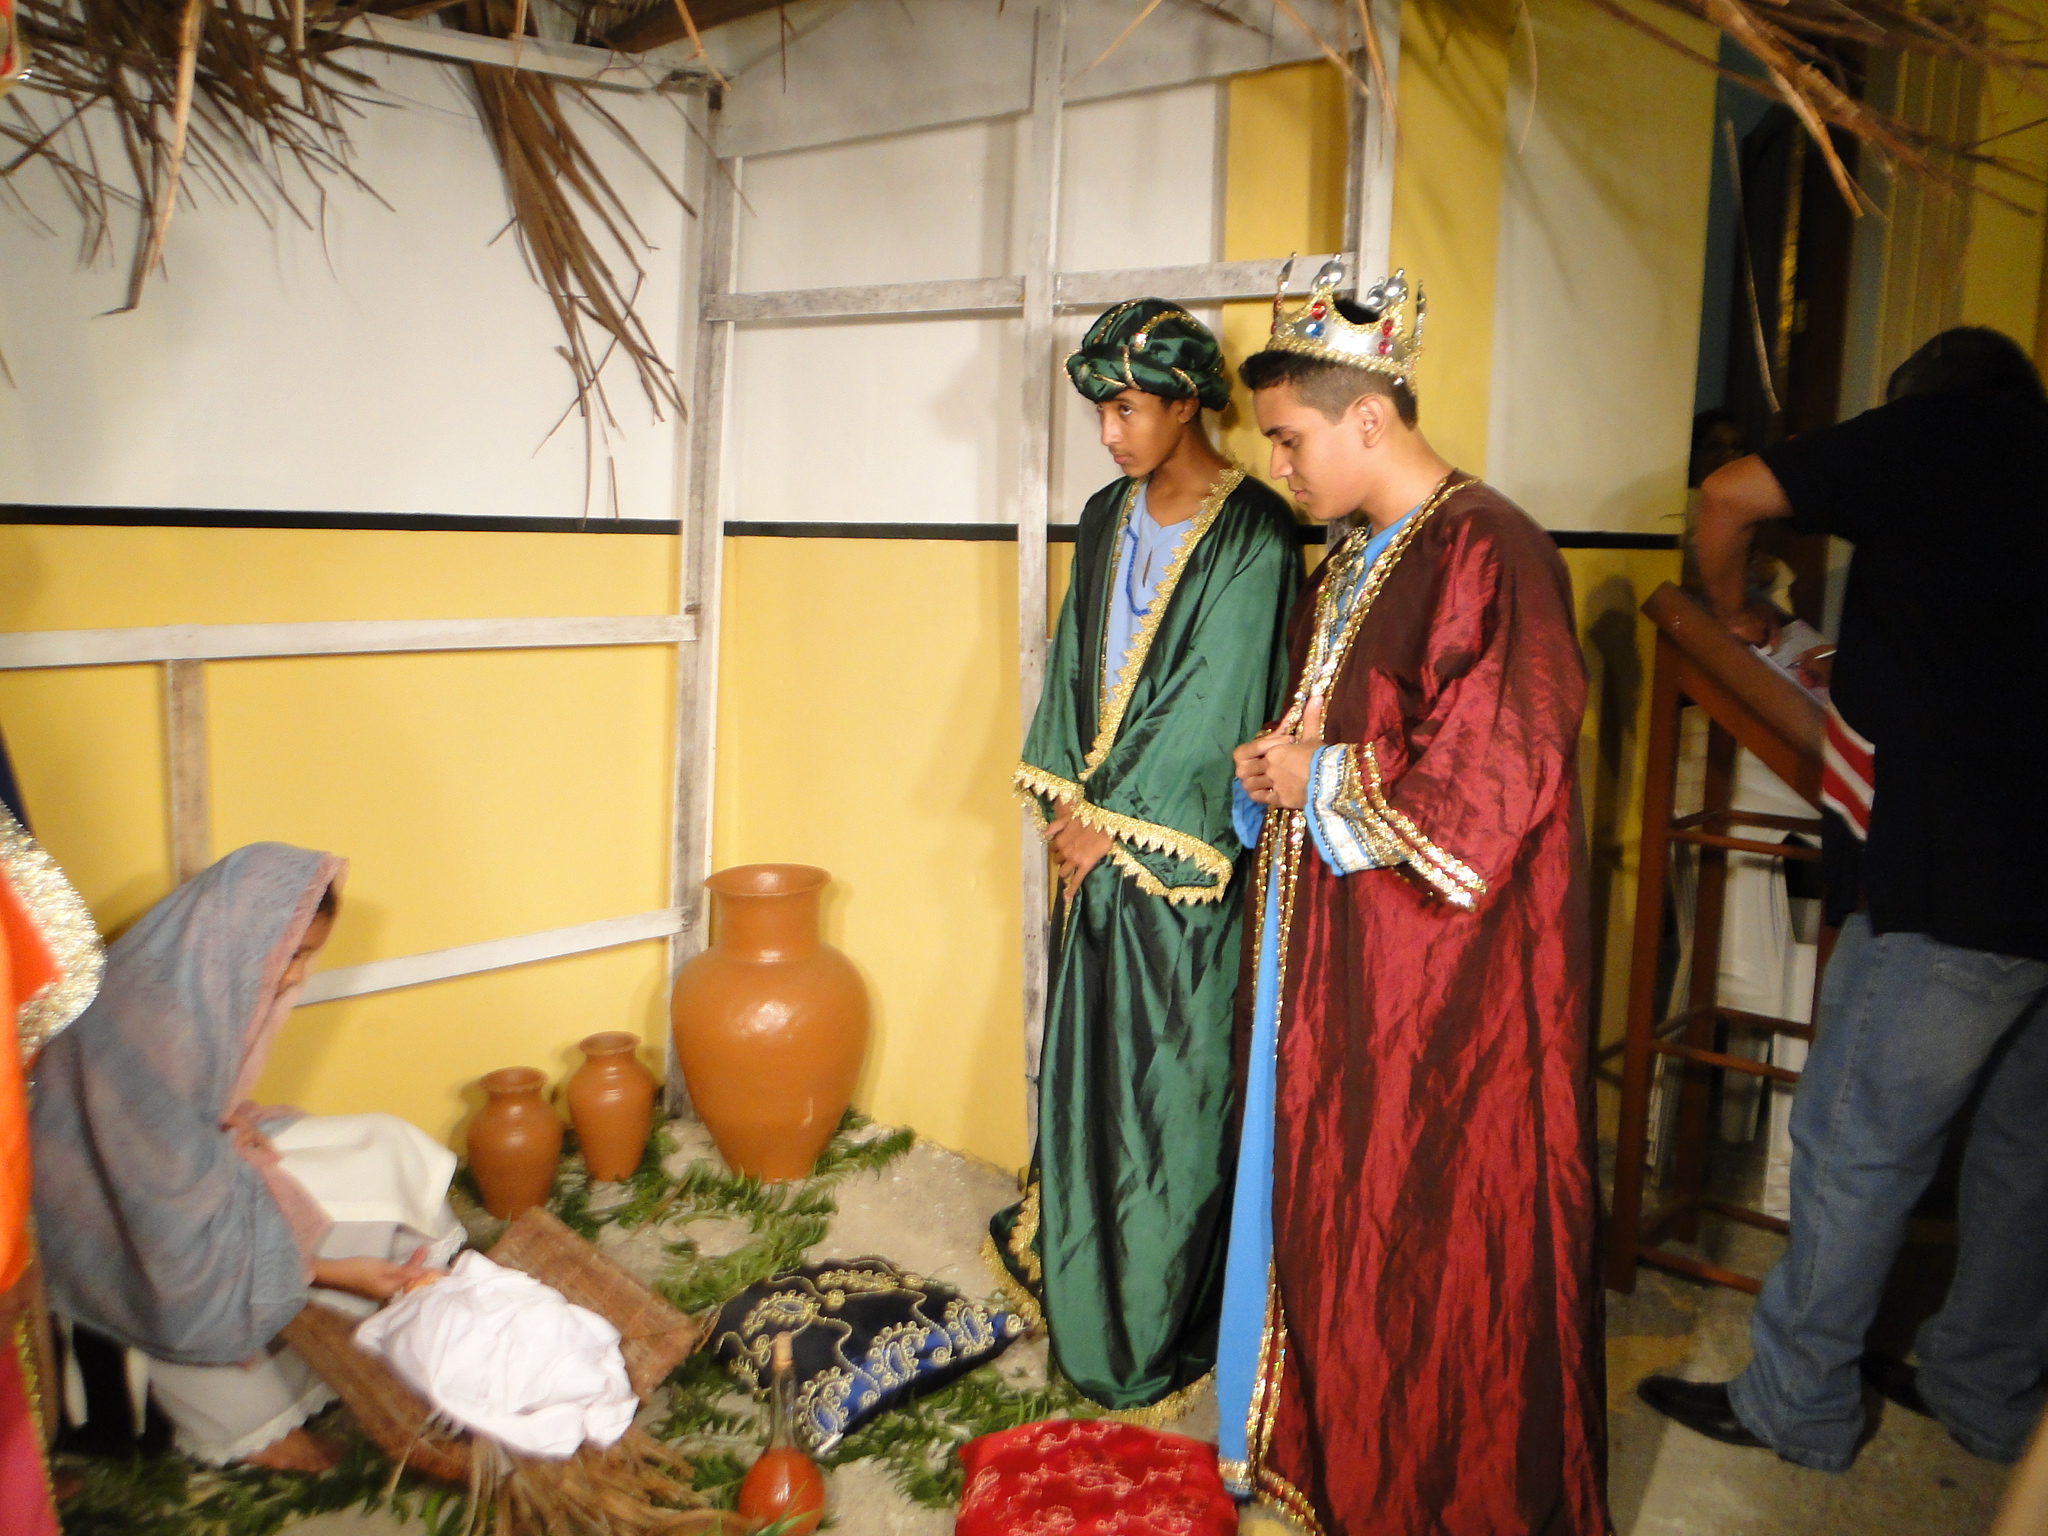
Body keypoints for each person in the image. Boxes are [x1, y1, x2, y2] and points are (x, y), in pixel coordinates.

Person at [1221, 260, 1606, 1535]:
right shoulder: (1350, 561)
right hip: (1340, 948)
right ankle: (1332, 1447)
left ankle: (1430, 1481)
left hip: (1446, 976)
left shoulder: (1491, 547)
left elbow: (1501, 763)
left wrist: (1320, 775)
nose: (1278, 465)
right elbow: (1354, 724)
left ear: (1368, 418)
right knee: (1338, 1195)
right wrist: (1278, 764)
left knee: (1427, 1212)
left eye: (1288, 440)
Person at [1639, 325, 2048, 1471]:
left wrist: (1729, 610)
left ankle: (1798, 1405)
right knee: (2022, 1156)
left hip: (1949, 880)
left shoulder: (1937, 431)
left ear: (1913, 396)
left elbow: (1729, 495)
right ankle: (1982, 1388)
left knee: (1851, 1145)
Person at [987, 297, 1300, 1415]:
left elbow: (1219, 696)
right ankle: (1081, 1273)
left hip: (1178, 866)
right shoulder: (1102, 514)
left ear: (1185, 402)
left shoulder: (1256, 531)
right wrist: (1068, 806)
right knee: (1088, 1077)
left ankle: (1148, 1320)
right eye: (1101, 412)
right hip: (1093, 848)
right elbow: (1077, 660)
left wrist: (1110, 827)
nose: (1110, 433)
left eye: (1127, 409)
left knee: (1166, 1088)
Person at [31, 843, 465, 1471]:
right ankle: (272, 1399)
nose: (294, 976)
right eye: (293, 954)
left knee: (382, 1144)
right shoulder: (166, 1022)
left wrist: (229, 1124)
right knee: (224, 1287)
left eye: (308, 956)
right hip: (121, 1225)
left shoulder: (187, 977)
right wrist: (326, 1271)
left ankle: (406, 1299)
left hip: (182, 1167)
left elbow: (189, 1114)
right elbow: (172, 1228)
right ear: (241, 938)